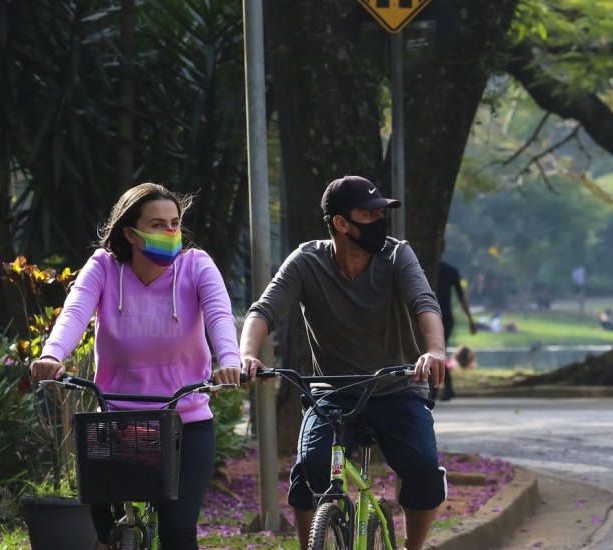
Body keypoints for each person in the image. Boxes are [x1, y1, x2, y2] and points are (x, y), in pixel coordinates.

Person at [29, 183, 243, 549]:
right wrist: (52, 355)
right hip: (115, 424)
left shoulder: (196, 266)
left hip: (185, 423)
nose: (172, 232)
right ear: (130, 233)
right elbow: (74, 312)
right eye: (158, 224)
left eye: (175, 222)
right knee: (107, 532)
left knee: (177, 532)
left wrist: (229, 361)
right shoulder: (103, 268)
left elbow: (220, 317)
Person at [238, 175, 447, 550]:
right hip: (334, 392)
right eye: (368, 214)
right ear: (340, 223)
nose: (378, 221)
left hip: (397, 388)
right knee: (309, 469)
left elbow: (424, 303)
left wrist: (435, 350)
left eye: (380, 212)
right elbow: (264, 311)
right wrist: (247, 355)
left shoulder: (397, 255)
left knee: (423, 468)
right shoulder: (306, 261)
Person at [433, 239, 477, 401]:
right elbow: (462, 298)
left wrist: (471, 320)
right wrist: (470, 320)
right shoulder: (450, 271)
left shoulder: (426, 270)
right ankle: (441, 387)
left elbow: (461, 297)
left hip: (438, 317)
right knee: (437, 351)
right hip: (444, 317)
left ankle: (441, 387)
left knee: (434, 351)